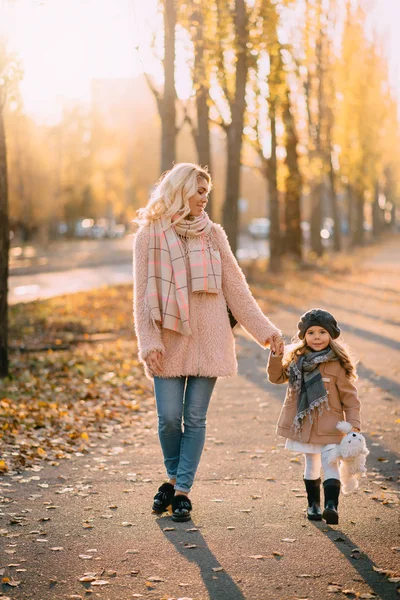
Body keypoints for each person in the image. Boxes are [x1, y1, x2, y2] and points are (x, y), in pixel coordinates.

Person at [133, 162, 283, 522]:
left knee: (194, 419)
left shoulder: (212, 234)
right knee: (169, 418)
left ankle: (181, 490)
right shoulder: (149, 236)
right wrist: (149, 342)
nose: (204, 199)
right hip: (167, 342)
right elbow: (141, 296)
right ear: (180, 189)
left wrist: (265, 331)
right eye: (199, 191)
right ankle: (171, 478)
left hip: (211, 341)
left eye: (207, 193)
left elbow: (236, 289)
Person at [267, 308, 361, 524]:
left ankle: (331, 506)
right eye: (311, 333)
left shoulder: (337, 364)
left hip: (331, 426)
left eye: (322, 332)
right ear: (303, 336)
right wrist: (276, 355)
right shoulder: (297, 360)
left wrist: (353, 424)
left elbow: (350, 398)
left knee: (330, 463)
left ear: (331, 335)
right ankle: (313, 505)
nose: (316, 337)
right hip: (306, 425)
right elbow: (276, 377)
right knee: (311, 463)